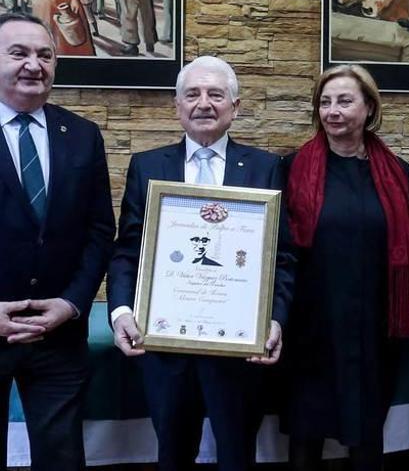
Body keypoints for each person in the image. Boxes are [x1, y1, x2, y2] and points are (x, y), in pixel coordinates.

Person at [107, 55, 295, 471]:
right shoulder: (148, 166)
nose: (203, 103)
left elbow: (282, 256)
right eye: (192, 94)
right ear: (177, 107)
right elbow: (127, 250)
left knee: (236, 455)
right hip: (165, 346)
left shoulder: (266, 169)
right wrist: (120, 310)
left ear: (235, 106)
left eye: (215, 94)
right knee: (172, 455)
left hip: (238, 348)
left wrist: (275, 319)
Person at [283, 64, 409, 471]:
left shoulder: (399, 173)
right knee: (306, 435)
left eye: (344, 100)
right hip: (310, 327)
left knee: (366, 435)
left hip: (373, 329)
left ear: (369, 107)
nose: (332, 111)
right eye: (324, 102)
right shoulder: (291, 168)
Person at [0, 13, 115, 470]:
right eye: (19, 53)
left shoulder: (83, 136)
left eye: (45, 55)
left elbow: (99, 232)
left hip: (60, 336)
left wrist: (70, 304)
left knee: (62, 458)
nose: (35, 64)